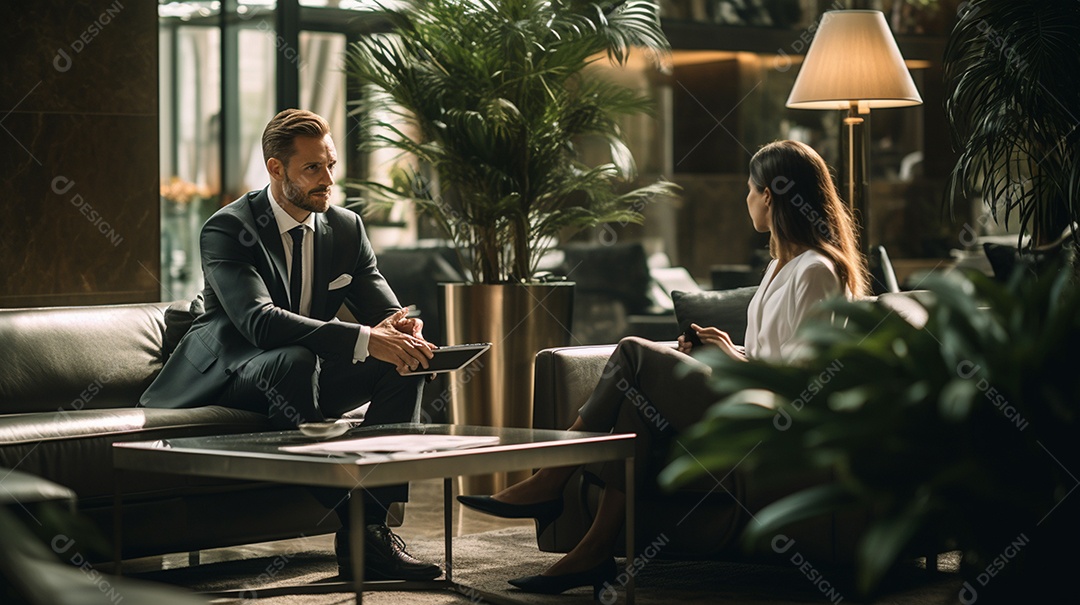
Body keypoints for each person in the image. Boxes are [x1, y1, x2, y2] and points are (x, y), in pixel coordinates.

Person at [458, 140, 869, 595]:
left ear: (768, 195)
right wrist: (728, 349)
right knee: (636, 407)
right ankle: (593, 552)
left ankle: (551, 478)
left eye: (749, 189)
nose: (746, 199)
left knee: (633, 351)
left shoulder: (816, 270)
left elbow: (802, 379)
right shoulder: (778, 267)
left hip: (772, 420)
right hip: (748, 400)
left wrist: (732, 362)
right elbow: (771, 357)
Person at [141, 109, 441, 581]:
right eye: (313, 168)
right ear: (276, 168)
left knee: (403, 363)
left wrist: (404, 331)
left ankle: (369, 532)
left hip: (304, 373)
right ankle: (360, 519)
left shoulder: (346, 228)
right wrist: (367, 339)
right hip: (234, 370)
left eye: (331, 165)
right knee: (295, 360)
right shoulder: (228, 228)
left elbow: (383, 309)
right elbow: (258, 323)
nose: (328, 180)